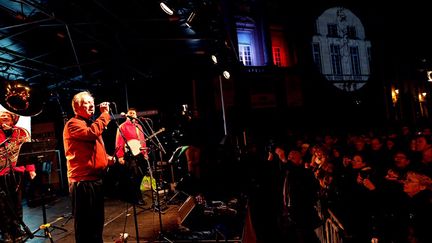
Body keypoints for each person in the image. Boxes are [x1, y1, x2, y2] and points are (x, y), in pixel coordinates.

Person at [63, 91, 115, 243]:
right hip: (82, 182)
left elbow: (89, 150)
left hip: (94, 179)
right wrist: (105, 115)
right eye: (86, 103)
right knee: (86, 226)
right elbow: (91, 133)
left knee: (96, 223)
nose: (92, 105)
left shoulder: (88, 123)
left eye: (92, 103)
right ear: (76, 107)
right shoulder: (73, 123)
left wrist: (106, 159)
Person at [0, 110, 36, 242]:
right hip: (0, 173)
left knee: (17, 203)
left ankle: (16, 229)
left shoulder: (21, 132)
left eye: (7, 115)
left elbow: (27, 153)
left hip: (17, 171)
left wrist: (31, 169)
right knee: (2, 205)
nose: (4, 117)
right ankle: (5, 231)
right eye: (1, 116)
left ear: (13, 118)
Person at [115, 107, 148, 204]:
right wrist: (120, 156)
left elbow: (143, 141)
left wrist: (145, 153)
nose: (132, 114)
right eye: (130, 113)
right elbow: (119, 142)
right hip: (129, 154)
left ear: (136, 115)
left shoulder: (139, 127)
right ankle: (137, 198)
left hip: (140, 153)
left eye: (134, 113)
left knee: (141, 174)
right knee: (135, 175)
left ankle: (136, 195)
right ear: (127, 115)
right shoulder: (122, 126)